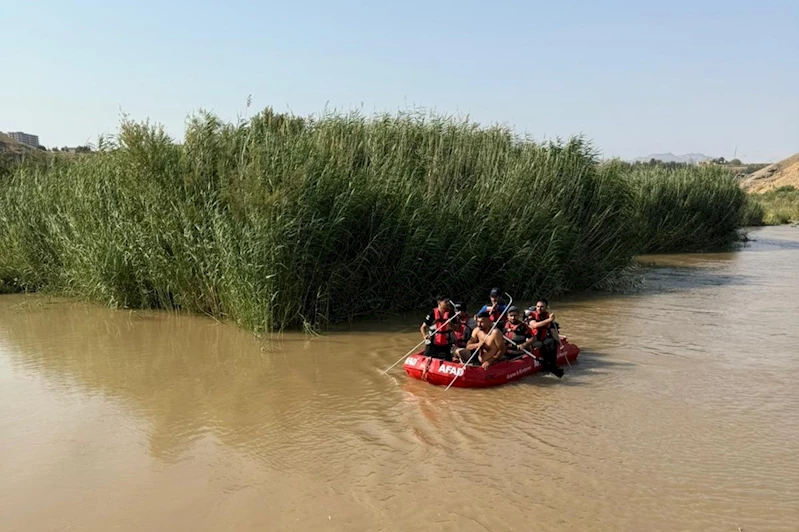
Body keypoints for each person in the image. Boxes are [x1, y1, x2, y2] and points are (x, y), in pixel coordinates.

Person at [525, 298, 563, 378]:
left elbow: (553, 332)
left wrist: (560, 342)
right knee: (540, 344)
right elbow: (535, 325)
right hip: (533, 340)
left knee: (552, 342)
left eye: (542, 307)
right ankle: (546, 365)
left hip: (542, 338)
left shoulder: (547, 316)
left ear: (545, 308)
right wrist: (549, 320)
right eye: (538, 306)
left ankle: (552, 364)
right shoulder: (531, 316)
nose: (539, 308)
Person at [420, 295, 456, 361]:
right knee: (425, 358)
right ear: (439, 302)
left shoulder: (451, 313)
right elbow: (423, 327)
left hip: (447, 343)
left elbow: (457, 329)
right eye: (446, 302)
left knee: (448, 360)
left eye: (448, 301)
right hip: (434, 342)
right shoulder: (432, 313)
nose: (448, 303)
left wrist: (451, 324)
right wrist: (424, 336)